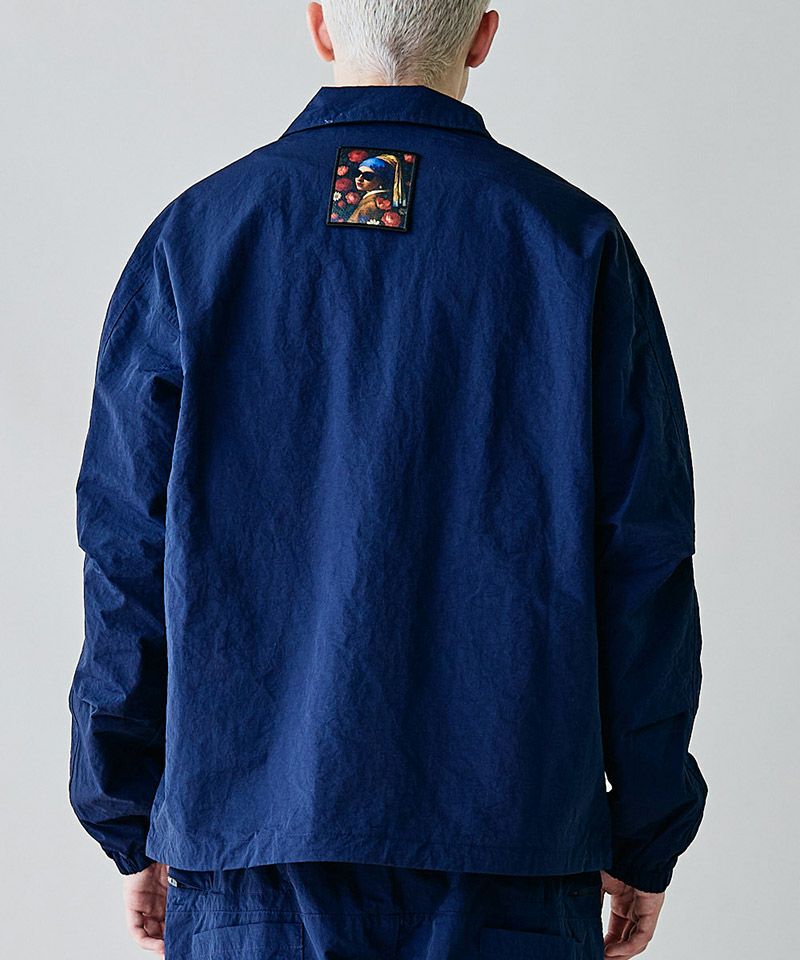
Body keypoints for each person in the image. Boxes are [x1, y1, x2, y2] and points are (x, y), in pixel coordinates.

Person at [66, 2, 709, 958]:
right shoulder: (576, 245)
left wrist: (128, 809)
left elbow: (126, 549)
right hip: (512, 848)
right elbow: (646, 558)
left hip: (251, 847)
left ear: (322, 26)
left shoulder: (194, 240)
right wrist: (647, 824)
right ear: (483, 35)